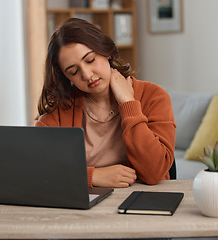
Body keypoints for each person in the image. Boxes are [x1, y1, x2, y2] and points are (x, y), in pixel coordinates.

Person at [35, 18, 176, 188]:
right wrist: (93, 176)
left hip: (140, 205)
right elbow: (35, 169)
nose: (87, 75)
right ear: (66, 77)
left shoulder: (154, 96)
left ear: (105, 51)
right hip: (84, 206)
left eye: (90, 60)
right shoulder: (61, 110)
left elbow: (154, 172)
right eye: (73, 71)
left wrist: (128, 103)